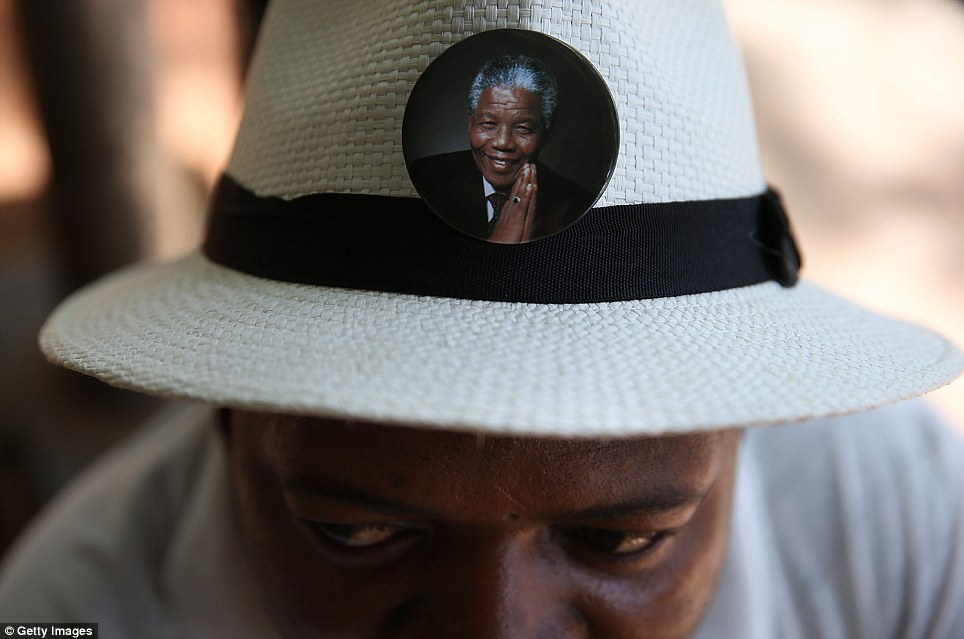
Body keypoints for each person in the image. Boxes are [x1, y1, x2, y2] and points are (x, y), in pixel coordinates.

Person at [2, 0, 963, 637]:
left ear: (750, 426)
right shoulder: (73, 607)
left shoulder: (911, 523)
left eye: (620, 541)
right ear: (225, 418)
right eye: (354, 532)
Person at [411, 54, 596, 243]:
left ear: (546, 132)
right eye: (488, 124)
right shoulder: (428, 178)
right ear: (470, 123)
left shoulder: (573, 204)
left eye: (522, 129)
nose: (502, 143)